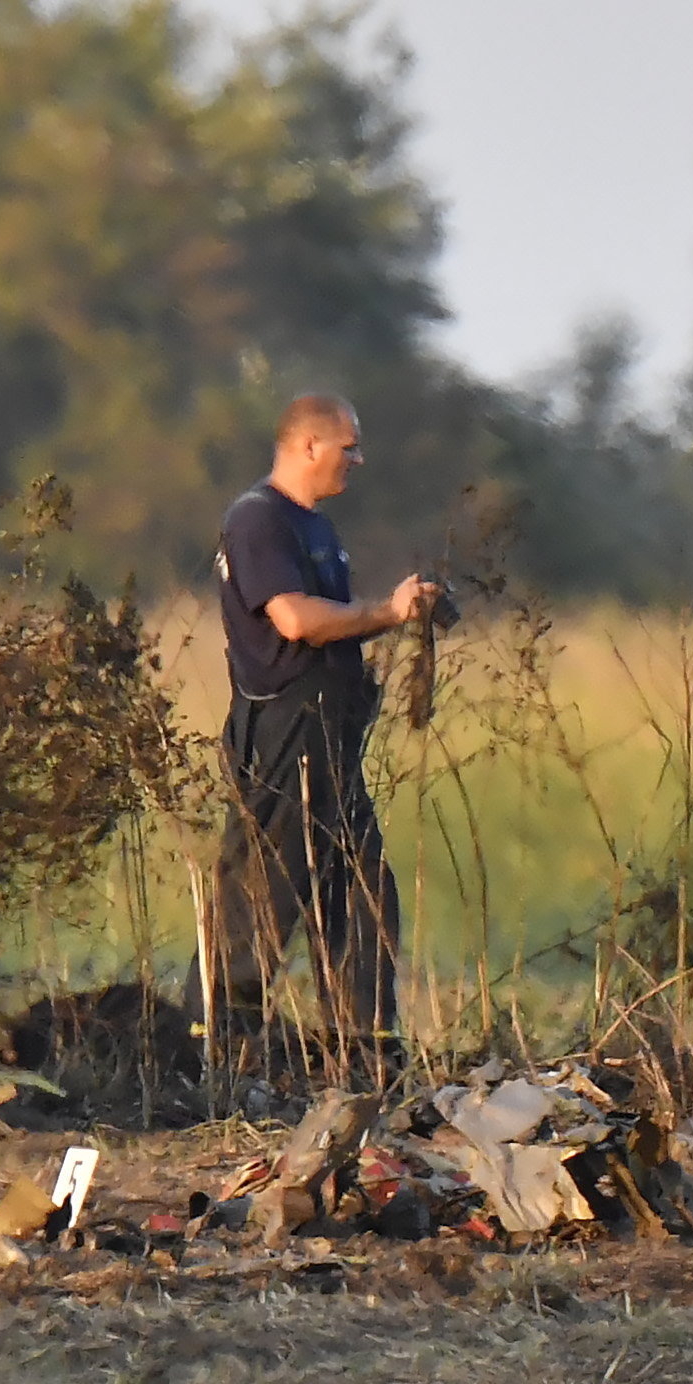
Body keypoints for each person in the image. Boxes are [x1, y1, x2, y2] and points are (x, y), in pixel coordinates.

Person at [209, 396, 443, 1068]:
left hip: (332, 736)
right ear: (308, 445)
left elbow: (335, 621)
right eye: (349, 446)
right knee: (266, 889)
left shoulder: (313, 526)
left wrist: (404, 617)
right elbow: (295, 620)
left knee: (362, 887)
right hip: (286, 732)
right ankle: (220, 1043)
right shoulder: (258, 518)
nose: (358, 459)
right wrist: (386, 612)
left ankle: (365, 1045)